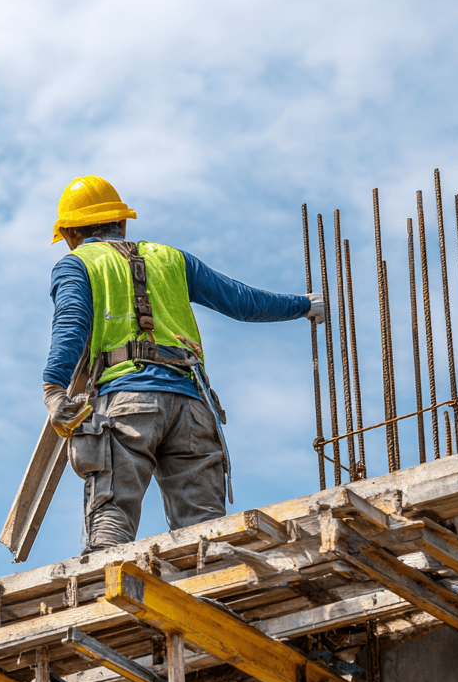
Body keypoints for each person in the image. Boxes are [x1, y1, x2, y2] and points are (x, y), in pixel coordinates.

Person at [42, 176, 326, 553]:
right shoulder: (170, 258)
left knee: (111, 517)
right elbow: (242, 302)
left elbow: (73, 321)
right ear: (121, 223)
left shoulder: (76, 264)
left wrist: (54, 388)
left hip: (126, 405)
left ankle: (106, 594)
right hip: (191, 408)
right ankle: (216, 592)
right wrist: (304, 305)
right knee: (204, 530)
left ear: (71, 233)